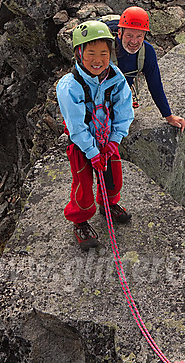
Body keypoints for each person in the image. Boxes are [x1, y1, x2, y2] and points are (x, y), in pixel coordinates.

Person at [56, 20, 135, 250]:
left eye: (104, 53)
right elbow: (76, 126)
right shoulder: (70, 86)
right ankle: (79, 222)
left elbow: (124, 110)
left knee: (113, 178)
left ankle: (108, 204)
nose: (98, 60)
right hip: (81, 145)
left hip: (107, 140)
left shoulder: (115, 78)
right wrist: (92, 152)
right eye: (91, 53)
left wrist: (114, 141)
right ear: (79, 53)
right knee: (82, 186)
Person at [114, 6, 185, 132]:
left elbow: (155, 85)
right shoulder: (106, 48)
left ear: (145, 35)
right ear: (120, 33)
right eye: (129, 35)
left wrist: (168, 117)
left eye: (139, 36)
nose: (134, 41)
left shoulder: (147, 52)